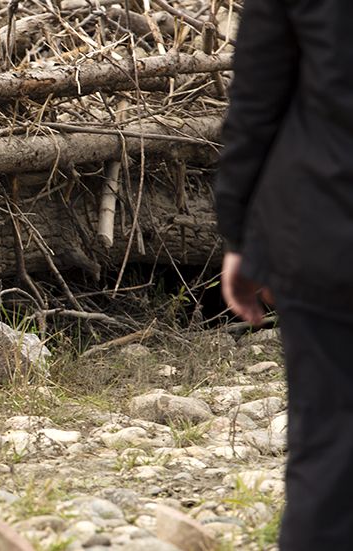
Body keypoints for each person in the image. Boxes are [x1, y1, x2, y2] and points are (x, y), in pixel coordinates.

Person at [215, 0, 353, 548]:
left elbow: (256, 99)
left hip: (326, 222)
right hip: (323, 226)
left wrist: (239, 234)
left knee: (326, 448)